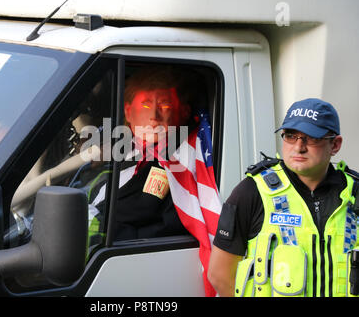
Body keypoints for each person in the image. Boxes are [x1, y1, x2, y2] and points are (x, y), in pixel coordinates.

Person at [208, 98, 359, 297]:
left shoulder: (355, 192)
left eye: (311, 138)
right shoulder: (251, 191)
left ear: (335, 145)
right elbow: (220, 275)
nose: (299, 147)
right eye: (290, 136)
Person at [89, 65, 199, 242]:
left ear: (184, 112)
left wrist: (94, 225)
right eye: (146, 104)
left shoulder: (182, 166)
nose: (154, 115)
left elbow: (165, 232)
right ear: (128, 112)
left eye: (165, 104)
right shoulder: (118, 150)